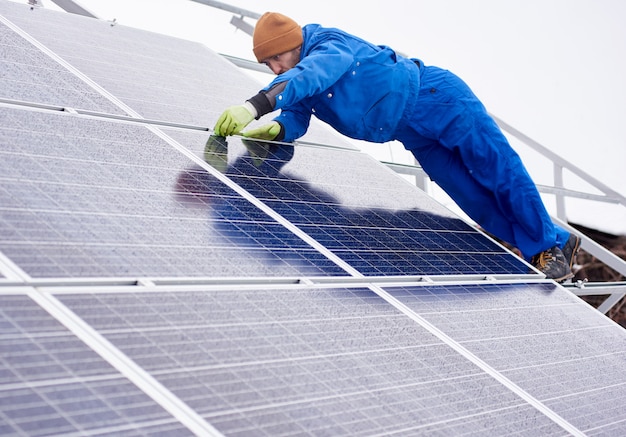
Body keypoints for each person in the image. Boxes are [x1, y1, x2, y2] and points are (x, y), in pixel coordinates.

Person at [213, 11, 581, 281]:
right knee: (471, 196)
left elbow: (312, 74)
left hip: (436, 98)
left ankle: (546, 248)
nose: (274, 68)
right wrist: (275, 128)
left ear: (293, 45)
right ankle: (554, 242)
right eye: (267, 63)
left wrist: (255, 105)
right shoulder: (298, 78)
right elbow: (296, 112)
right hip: (410, 133)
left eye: (276, 58)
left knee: (498, 172)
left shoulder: (327, 46)